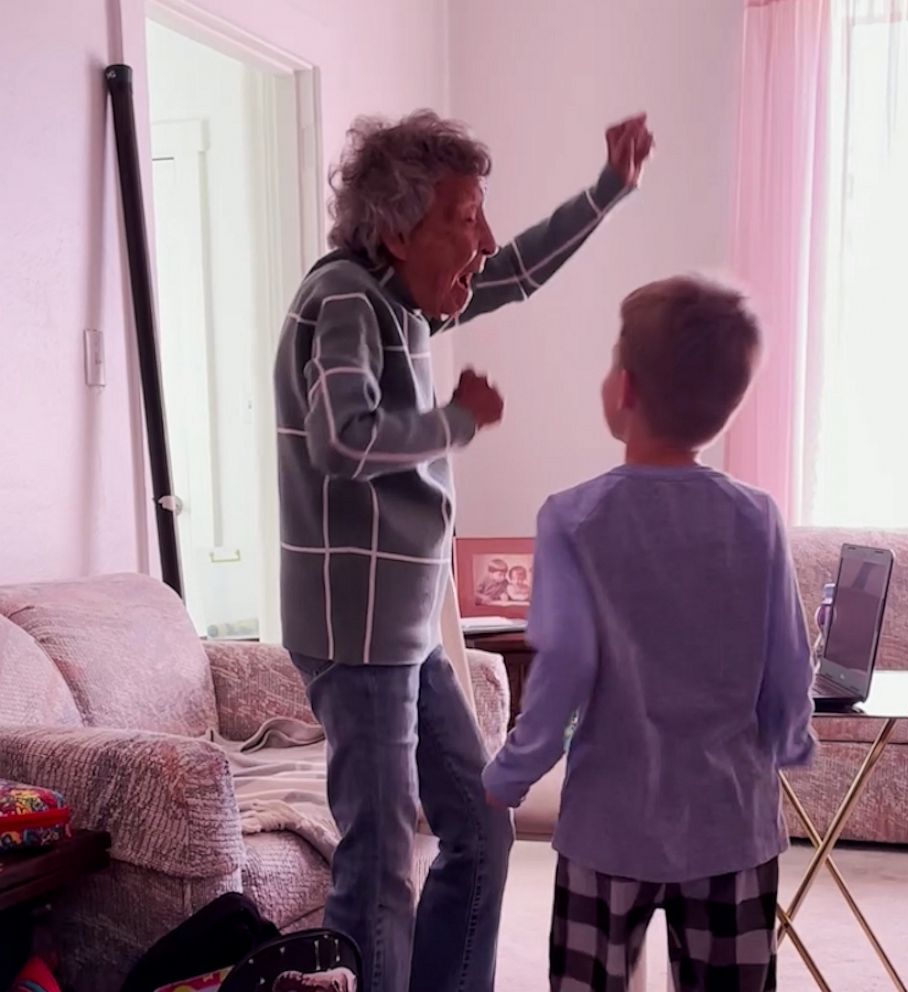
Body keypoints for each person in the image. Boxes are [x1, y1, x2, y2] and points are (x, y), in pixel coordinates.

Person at [273, 109, 653, 992]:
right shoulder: (344, 300)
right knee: (376, 868)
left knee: (480, 825)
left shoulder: (399, 298)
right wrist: (458, 422)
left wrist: (609, 191)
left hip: (403, 632)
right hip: (356, 633)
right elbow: (342, 438)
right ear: (399, 228)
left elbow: (514, 271)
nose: (481, 237)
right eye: (464, 215)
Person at [483, 276, 817, 992]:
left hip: (610, 826)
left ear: (624, 389)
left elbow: (561, 672)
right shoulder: (757, 518)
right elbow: (788, 663)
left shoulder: (572, 519)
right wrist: (790, 739)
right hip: (732, 822)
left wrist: (511, 774)